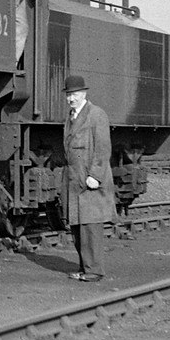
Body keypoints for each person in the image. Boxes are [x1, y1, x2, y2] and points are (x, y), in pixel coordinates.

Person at [60, 74, 115, 281]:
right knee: (77, 227)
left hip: (89, 179)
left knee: (91, 227)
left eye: (74, 94)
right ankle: (85, 268)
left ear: (83, 93)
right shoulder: (71, 116)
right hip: (74, 179)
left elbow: (102, 148)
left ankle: (94, 271)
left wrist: (96, 175)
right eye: (68, 95)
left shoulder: (96, 115)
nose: (70, 99)